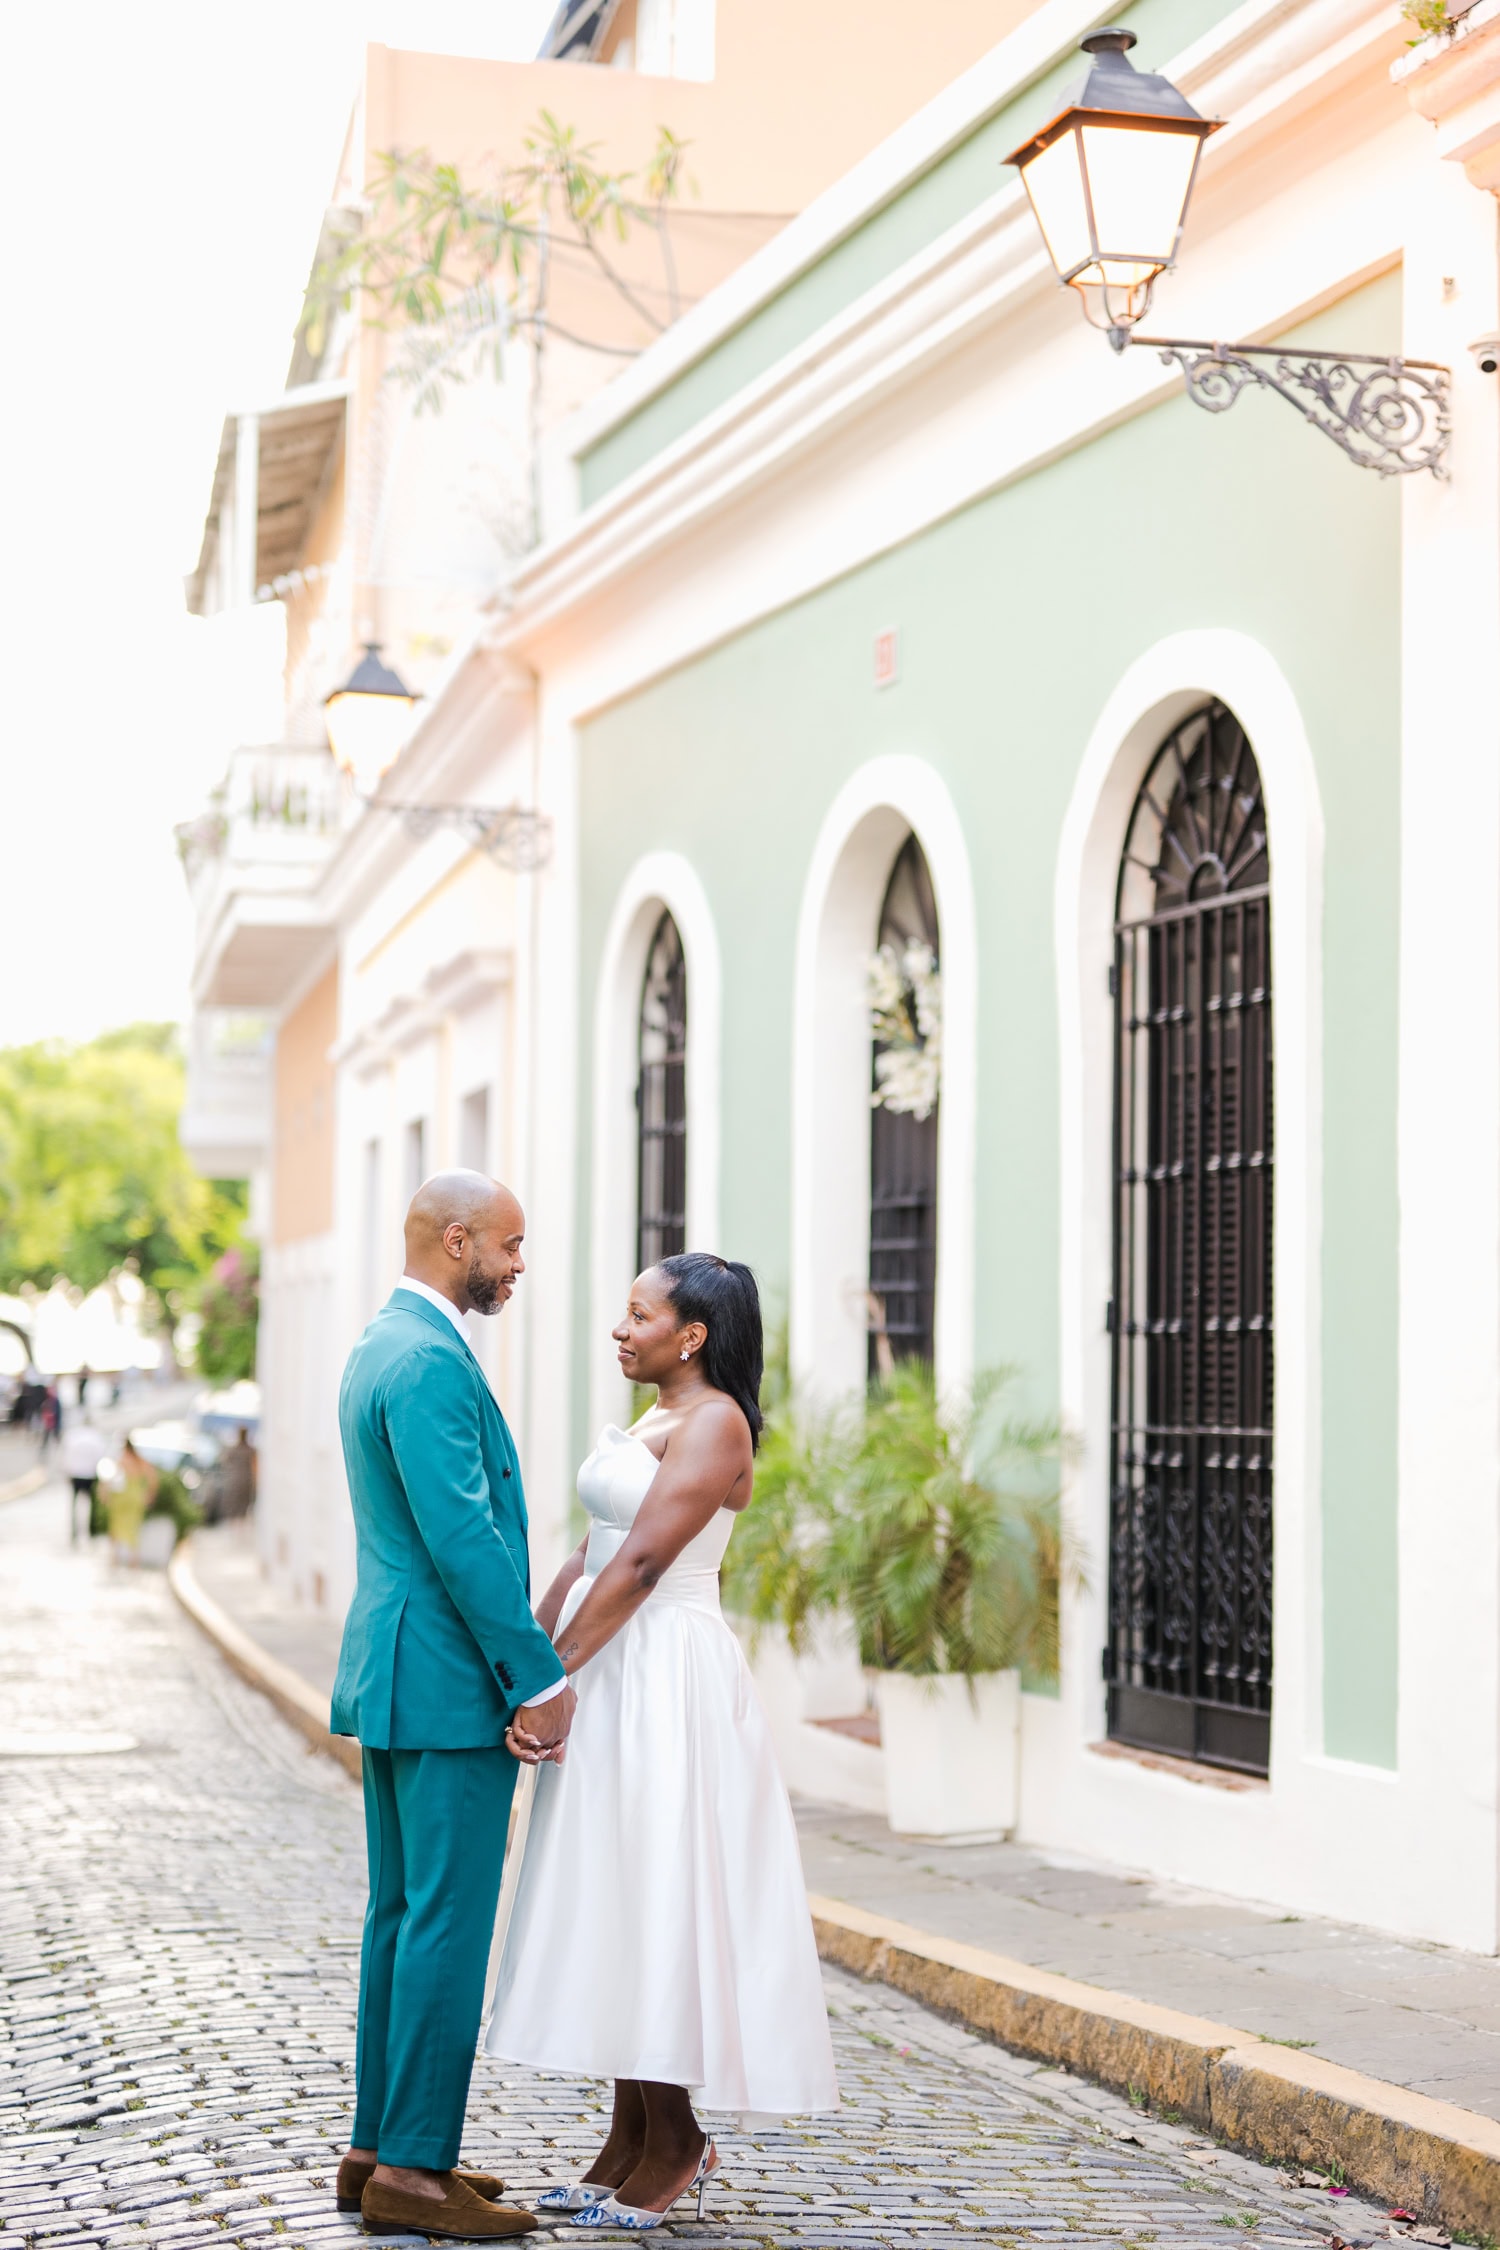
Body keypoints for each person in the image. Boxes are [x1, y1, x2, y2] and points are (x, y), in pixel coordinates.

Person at [486, 1253, 838, 2230]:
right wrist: (534, 1658)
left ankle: (677, 2138)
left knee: (656, 1890)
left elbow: (642, 1565)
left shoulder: (716, 1421)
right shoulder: (654, 1418)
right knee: (616, 1894)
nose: (620, 1329)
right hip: (612, 1668)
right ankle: (631, 2134)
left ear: (692, 1336)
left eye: (639, 1316)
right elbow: (590, 1553)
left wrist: (553, 1678)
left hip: (664, 1677)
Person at [329, 1171, 574, 2242]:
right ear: (459, 1238)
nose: (520, 1265)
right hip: (444, 1684)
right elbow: (463, 1538)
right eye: (510, 1246)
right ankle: (416, 2172)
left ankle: (379, 2146)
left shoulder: (382, 1343)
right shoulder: (428, 1359)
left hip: (397, 1679)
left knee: (399, 1916)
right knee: (445, 1923)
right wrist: (540, 1676)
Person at [107, 1439, 159, 1564]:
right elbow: (153, 1479)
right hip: (136, 1496)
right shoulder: (140, 1461)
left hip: (121, 1496)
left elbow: (110, 1478)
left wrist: (106, 1493)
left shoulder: (122, 1460)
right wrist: (150, 1495)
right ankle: (134, 1558)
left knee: (116, 1525)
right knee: (133, 1526)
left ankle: (115, 1556)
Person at [61, 1415, 108, 1542]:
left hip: (75, 1473)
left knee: (74, 1505)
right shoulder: (96, 1437)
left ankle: (74, 1533)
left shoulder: (73, 1436)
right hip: (90, 1474)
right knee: (92, 1505)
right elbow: (100, 1457)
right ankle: (92, 1532)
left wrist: (67, 1472)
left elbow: (67, 1455)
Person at [219, 1425, 257, 1519]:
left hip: (235, 1481)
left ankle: (235, 1529)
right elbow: (254, 1467)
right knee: (244, 1506)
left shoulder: (233, 1450)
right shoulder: (250, 1450)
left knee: (234, 1507)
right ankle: (241, 1529)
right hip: (246, 1481)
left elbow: (224, 1462)